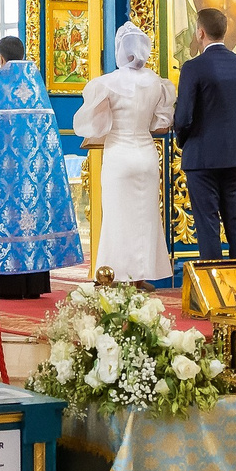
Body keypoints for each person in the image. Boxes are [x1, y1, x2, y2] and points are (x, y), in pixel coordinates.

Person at [0, 35, 83, 301]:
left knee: (2, 220)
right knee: (31, 217)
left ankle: (2, 283)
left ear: (0, 58)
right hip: (31, 180)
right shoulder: (37, 93)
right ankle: (32, 284)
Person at [73, 24, 176, 284]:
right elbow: (160, 125)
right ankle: (141, 277)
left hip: (119, 154)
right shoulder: (158, 83)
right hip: (146, 155)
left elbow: (94, 126)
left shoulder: (107, 83)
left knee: (118, 218)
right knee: (146, 216)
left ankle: (116, 275)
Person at [173, 5, 236, 261]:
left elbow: (183, 117)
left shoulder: (193, 67)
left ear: (200, 32)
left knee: (208, 226)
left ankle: (214, 292)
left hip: (201, 158)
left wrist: (187, 140)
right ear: (223, 32)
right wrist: (232, 131)